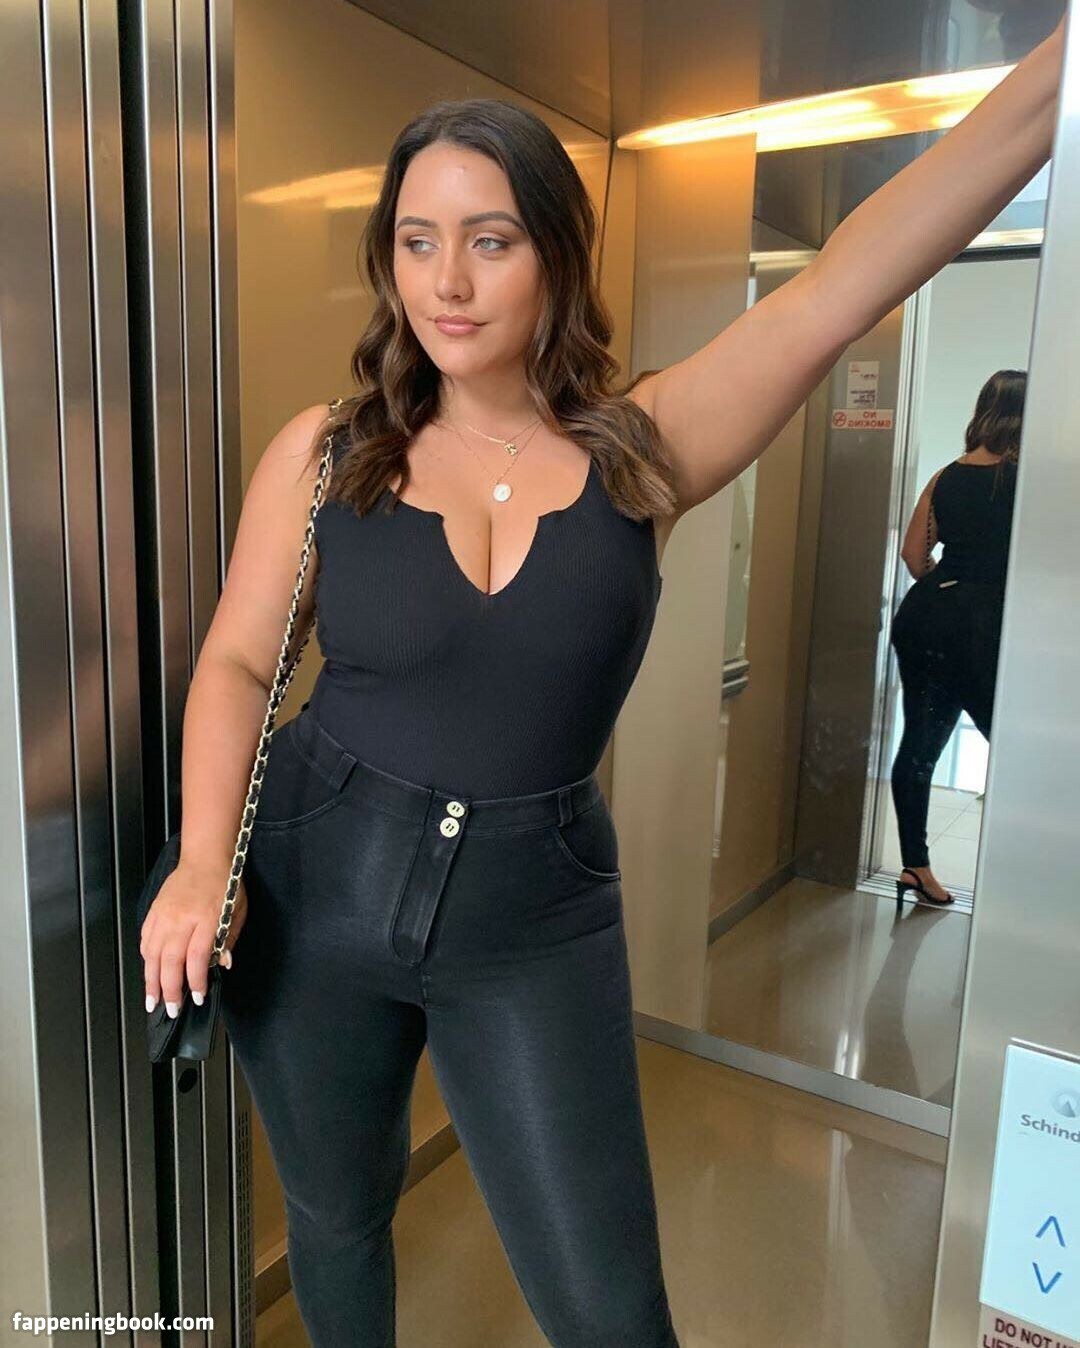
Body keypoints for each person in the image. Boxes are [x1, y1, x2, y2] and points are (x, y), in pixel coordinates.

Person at [138, 18, 1066, 1345]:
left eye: (491, 239)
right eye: (416, 240)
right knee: (338, 1227)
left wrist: (1055, 72)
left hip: (536, 919)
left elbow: (839, 286)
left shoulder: (642, 449)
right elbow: (240, 659)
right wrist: (198, 861)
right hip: (313, 879)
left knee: (613, 1312)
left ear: (555, 256)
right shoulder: (330, 450)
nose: (448, 281)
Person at [891, 370, 1023, 909]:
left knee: (921, 742)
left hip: (926, 616)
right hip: (984, 625)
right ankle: (1021, 884)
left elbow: (913, 556)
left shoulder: (946, 475)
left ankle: (915, 866)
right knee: (1017, 751)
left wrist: (948, 590)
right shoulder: (1030, 481)